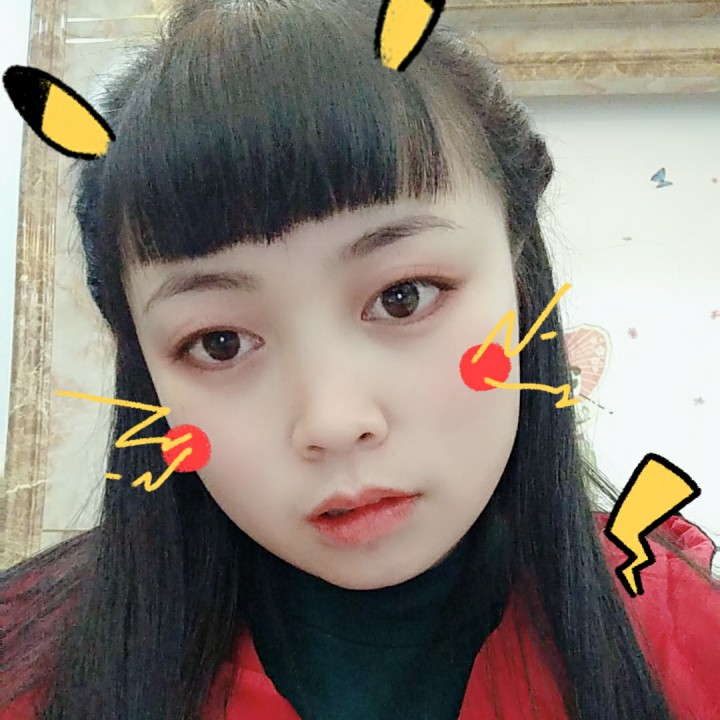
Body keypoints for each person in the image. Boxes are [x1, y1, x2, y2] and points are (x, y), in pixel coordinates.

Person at [1, 1, 718, 718]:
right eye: (220, 343)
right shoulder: (25, 673)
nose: (334, 422)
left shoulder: (688, 640)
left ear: (518, 263)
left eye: (403, 298)